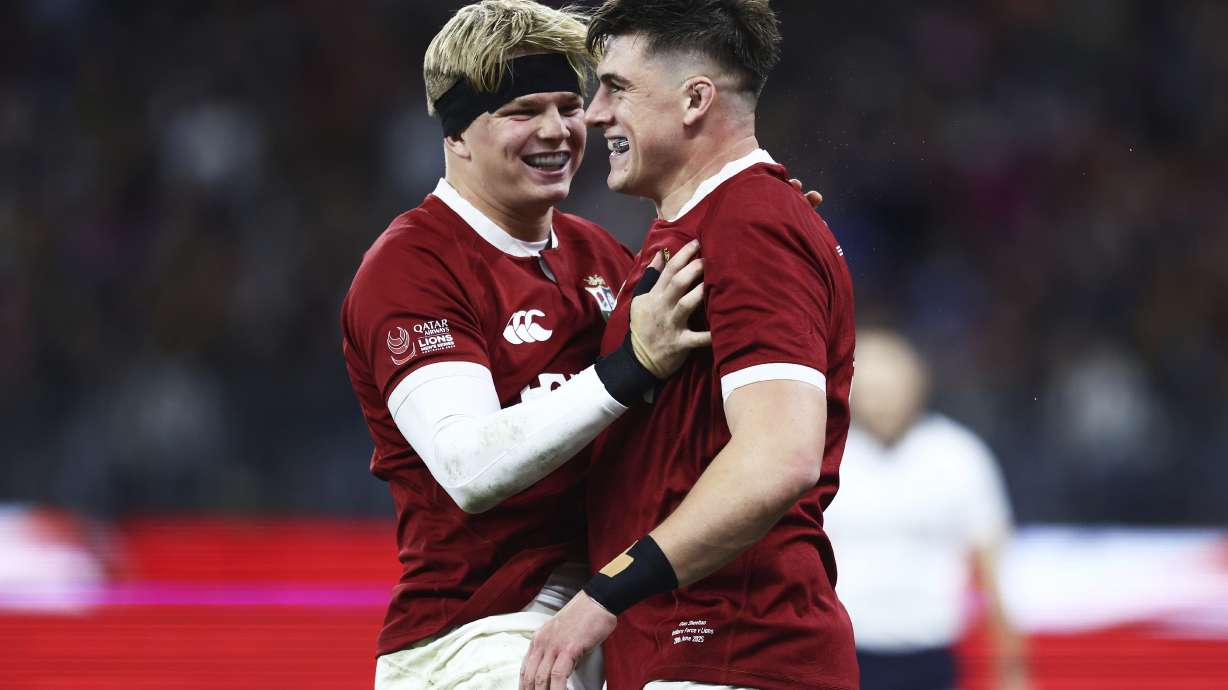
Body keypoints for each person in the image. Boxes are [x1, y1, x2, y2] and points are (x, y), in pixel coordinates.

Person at [339, 2, 712, 688]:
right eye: (522, 111)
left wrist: (754, 234)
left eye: (569, 105)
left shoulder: (596, 252)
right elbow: (468, 467)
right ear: (457, 136)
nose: (558, 130)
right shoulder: (413, 265)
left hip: (596, 618)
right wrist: (629, 368)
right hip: (475, 637)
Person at [522, 2, 858, 689]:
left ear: (695, 99)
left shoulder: (752, 223)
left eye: (616, 87)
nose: (593, 113)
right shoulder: (719, 223)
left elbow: (778, 458)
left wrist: (604, 594)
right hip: (694, 654)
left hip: (736, 650)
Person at [821, 329, 1032, 690]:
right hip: (840, 652)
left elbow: (994, 569)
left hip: (929, 655)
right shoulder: (821, 457)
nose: (880, 401)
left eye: (890, 386)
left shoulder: (958, 456)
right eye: (869, 387)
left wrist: (1011, 670)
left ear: (917, 383)